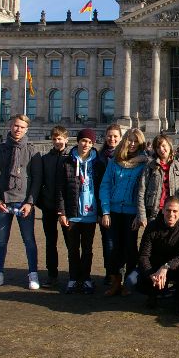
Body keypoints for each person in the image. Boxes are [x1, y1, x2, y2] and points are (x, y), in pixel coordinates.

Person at [0, 114, 42, 290]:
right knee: (1, 240)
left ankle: (33, 274)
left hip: (24, 202)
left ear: (27, 129)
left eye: (22, 127)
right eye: (16, 126)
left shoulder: (33, 151)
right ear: (11, 126)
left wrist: (30, 202)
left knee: (29, 240)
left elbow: (37, 180)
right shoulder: (0, 150)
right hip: (4, 202)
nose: (18, 129)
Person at [99, 128, 148, 297]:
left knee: (129, 247)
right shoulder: (114, 161)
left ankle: (128, 281)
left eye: (136, 141)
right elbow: (105, 185)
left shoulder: (144, 163)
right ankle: (115, 282)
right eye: (130, 140)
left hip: (131, 212)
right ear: (125, 141)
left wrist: (139, 214)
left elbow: (144, 190)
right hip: (113, 210)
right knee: (112, 247)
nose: (132, 144)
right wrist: (105, 211)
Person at [56, 128, 105, 294]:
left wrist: (101, 211)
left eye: (90, 142)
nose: (86, 144)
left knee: (88, 248)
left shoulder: (98, 163)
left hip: (91, 213)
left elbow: (101, 188)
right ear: (78, 141)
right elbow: (60, 189)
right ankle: (73, 278)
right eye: (84, 140)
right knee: (72, 248)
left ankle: (86, 279)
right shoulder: (67, 162)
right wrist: (62, 212)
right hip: (73, 212)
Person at [128, 196, 179, 314]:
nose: (171, 214)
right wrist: (150, 275)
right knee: (130, 281)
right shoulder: (152, 226)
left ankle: (178, 299)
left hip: (175, 267)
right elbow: (144, 255)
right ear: (163, 210)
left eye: (175, 211)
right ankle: (153, 294)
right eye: (168, 210)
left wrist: (167, 266)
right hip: (154, 268)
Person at [38, 126, 69, 288]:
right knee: (51, 243)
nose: (57, 141)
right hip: (49, 207)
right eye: (55, 139)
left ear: (66, 139)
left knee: (70, 243)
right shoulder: (45, 159)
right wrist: (42, 203)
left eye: (60, 138)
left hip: (67, 210)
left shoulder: (72, 158)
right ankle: (52, 275)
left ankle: (74, 276)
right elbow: (39, 183)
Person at [137, 134, 179, 228]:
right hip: (154, 212)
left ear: (169, 146)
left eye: (163, 145)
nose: (161, 149)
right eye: (158, 147)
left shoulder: (178, 166)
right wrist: (142, 215)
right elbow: (141, 191)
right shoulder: (150, 165)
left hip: (173, 213)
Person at [97, 124, 122, 286]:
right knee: (108, 241)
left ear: (120, 138)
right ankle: (110, 273)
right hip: (104, 206)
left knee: (122, 242)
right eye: (109, 136)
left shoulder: (127, 157)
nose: (112, 139)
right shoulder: (98, 157)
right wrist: (101, 210)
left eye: (115, 136)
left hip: (122, 207)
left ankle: (121, 273)